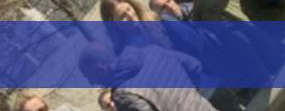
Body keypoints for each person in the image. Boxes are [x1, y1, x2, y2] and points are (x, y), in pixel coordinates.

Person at [79, 42, 216, 111]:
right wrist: (191, 98)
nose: (91, 82)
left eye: (90, 77)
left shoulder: (122, 95)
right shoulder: (152, 50)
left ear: (100, 69)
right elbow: (194, 66)